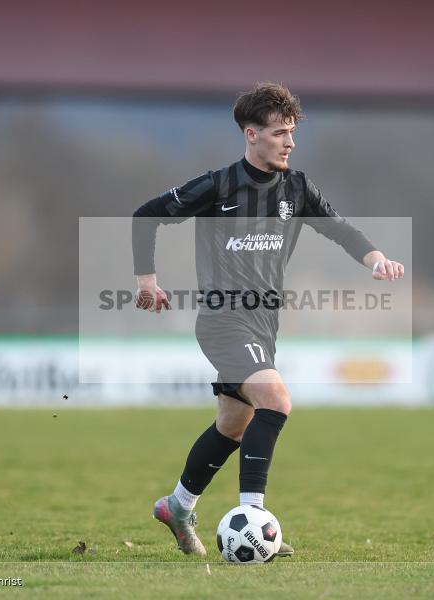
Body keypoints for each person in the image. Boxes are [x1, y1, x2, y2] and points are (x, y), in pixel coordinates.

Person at [131, 82, 404, 556]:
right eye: (280, 133)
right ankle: (255, 521)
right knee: (275, 400)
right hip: (223, 320)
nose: (290, 142)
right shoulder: (218, 186)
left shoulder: (297, 189)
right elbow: (146, 215)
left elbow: (341, 231)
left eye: (292, 132)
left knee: (233, 426)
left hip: (263, 325)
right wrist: (146, 281)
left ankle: (177, 505)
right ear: (251, 134)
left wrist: (376, 258)